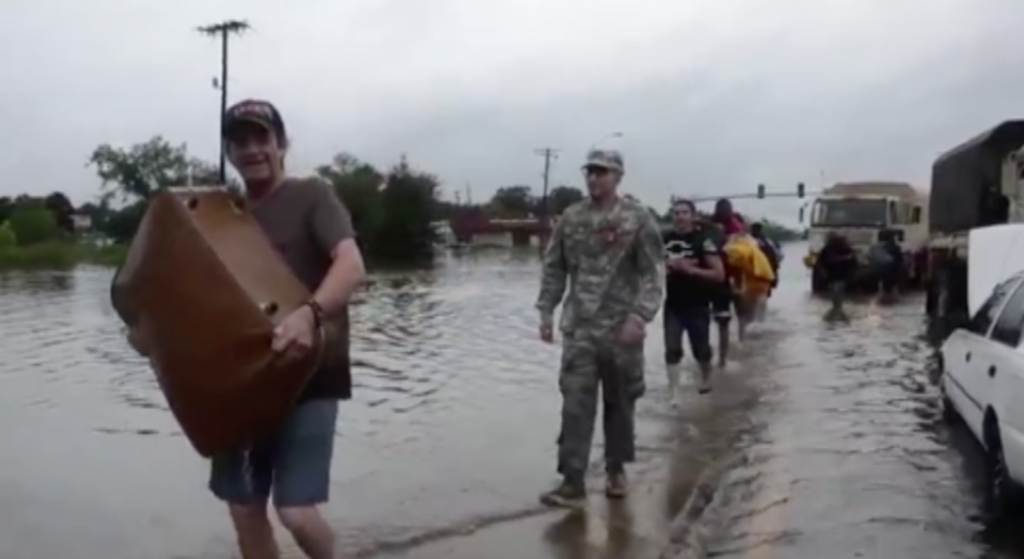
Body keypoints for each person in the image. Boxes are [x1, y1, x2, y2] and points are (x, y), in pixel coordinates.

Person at [127, 99, 366, 559]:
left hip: (310, 375)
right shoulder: (215, 212)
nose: (253, 149)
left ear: (281, 144)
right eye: (240, 141)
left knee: (296, 511)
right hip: (237, 382)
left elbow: (351, 266)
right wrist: (151, 331)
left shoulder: (312, 196)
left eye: (262, 138)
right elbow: (183, 295)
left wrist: (308, 314)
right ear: (230, 151)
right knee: (243, 506)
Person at [535, 149, 664, 507]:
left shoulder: (638, 219)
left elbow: (654, 274)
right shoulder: (571, 218)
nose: (594, 178)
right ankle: (572, 481)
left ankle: (616, 469)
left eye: (602, 172)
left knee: (620, 403)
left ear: (618, 176)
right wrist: (546, 310)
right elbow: (554, 267)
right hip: (579, 328)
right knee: (575, 403)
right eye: (590, 172)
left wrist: (640, 317)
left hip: (622, 329)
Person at [663, 199, 725, 394]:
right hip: (673, 305)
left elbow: (719, 274)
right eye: (676, 213)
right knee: (672, 350)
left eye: (684, 212)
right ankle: (673, 392)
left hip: (697, 305)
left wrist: (691, 270)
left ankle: (706, 379)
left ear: (692, 217)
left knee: (701, 350)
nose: (680, 216)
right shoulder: (664, 239)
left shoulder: (703, 241)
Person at [816, 232, 857, 315]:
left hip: (841, 274)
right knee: (836, 290)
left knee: (837, 289)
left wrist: (852, 272)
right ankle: (836, 307)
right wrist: (823, 272)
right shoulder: (827, 249)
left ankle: (837, 307)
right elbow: (820, 262)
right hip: (832, 274)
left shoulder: (845, 248)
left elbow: (853, 260)